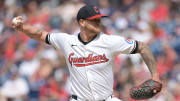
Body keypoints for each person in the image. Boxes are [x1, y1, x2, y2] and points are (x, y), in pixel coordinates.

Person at [12, 5, 161, 101]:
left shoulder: (109, 41)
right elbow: (40, 34)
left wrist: (155, 76)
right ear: (82, 22)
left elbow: (142, 47)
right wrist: (23, 28)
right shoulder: (66, 41)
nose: (98, 23)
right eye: (94, 20)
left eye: (98, 20)